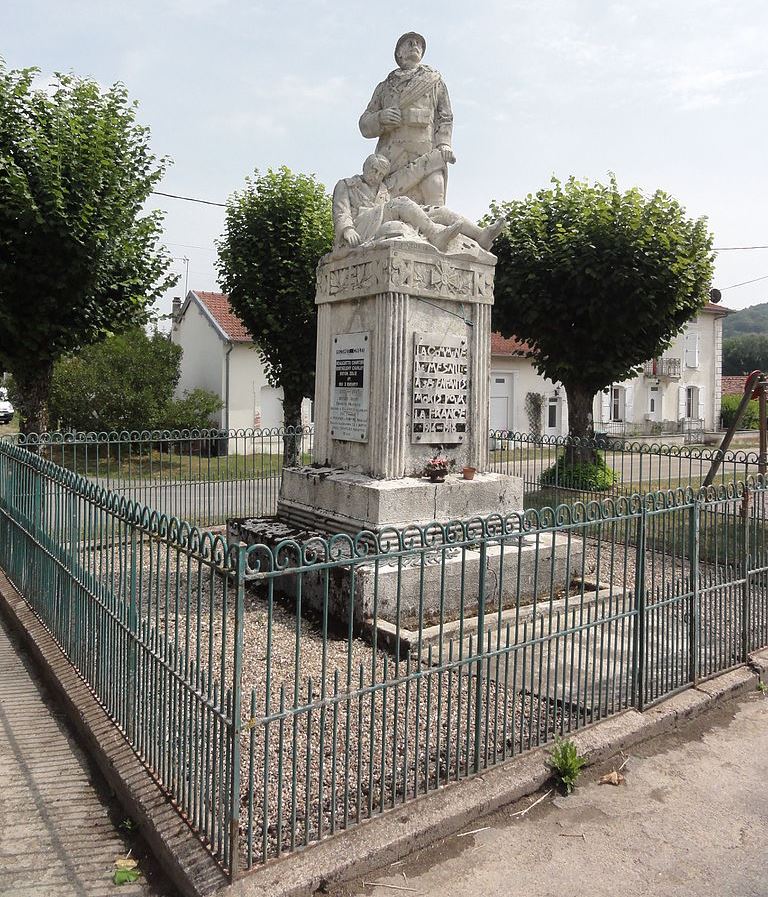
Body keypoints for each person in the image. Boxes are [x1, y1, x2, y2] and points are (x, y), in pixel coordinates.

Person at [332, 153, 506, 252]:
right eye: (374, 171)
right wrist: (347, 230)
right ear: (365, 167)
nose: (376, 176)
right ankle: (435, 234)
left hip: (380, 220)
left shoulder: (383, 188)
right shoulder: (347, 185)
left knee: (437, 210)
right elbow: (341, 212)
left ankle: (480, 234)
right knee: (401, 202)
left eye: (380, 174)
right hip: (362, 226)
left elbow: (413, 171)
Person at [359, 32, 455, 206]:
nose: (415, 45)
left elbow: (445, 116)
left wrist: (444, 144)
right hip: (391, 155)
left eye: (418, 43)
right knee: (385, 202)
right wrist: (380, 118)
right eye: (409, 43)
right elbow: (364, 124)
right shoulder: (384, 87)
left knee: (435, 190)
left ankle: (439, 231)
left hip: (425, 150)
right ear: (398, 53)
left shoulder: (434, 81)